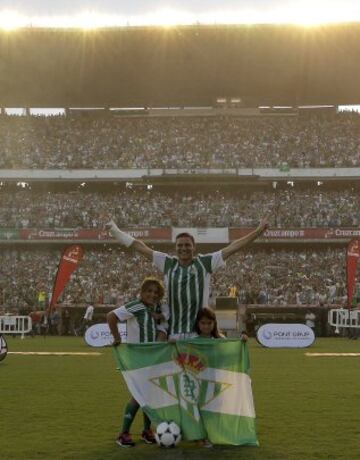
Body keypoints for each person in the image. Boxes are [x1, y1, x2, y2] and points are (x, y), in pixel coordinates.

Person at [105, 216, 268, 340]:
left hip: (200, 335)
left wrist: (258, 231)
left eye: (187, 245)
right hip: (173, 335)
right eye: (180, 246)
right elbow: (140, 246)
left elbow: (233, 247)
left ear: (194, 247)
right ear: (175, 248)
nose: (184, 248)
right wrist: (115, 231)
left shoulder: (205, 263)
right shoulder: (167, 263)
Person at [107, 277, 169, 447]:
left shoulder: (154, 309)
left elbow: (163, 321)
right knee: (138, 396)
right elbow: (111, 316)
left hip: (151, 357)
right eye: (149, 291)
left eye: (156, 292)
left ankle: (146, 431)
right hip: (138, 358)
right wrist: (117, 338)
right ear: (141, 293)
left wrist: (160, 316)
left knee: (149, 394)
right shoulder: (136, 305)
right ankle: (123, 433)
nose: (152, 294)